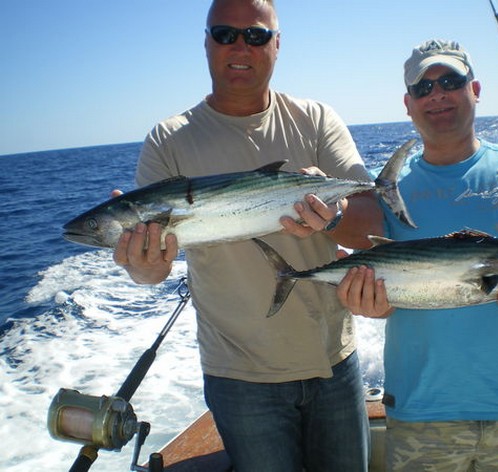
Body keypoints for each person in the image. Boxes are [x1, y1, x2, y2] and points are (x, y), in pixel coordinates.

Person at [113, 1, 382, 470]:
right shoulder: (169, 139)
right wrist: (144, 266)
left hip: (334, 364)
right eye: (225, 34)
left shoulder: (315, 120)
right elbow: (149, 271)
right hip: (239, 378)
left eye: (256, 36)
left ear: (277, 44)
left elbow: (372, 225)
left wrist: (334, 216)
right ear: (206, 42)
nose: (241, 46)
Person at [336, 39, 498, 471]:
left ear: (475, 88)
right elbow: (387, 290)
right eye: (423, 88)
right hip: (421, 411)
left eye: (450, 81)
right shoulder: (388, 191)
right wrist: (367, 302)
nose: (437, 94)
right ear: (408, 104)